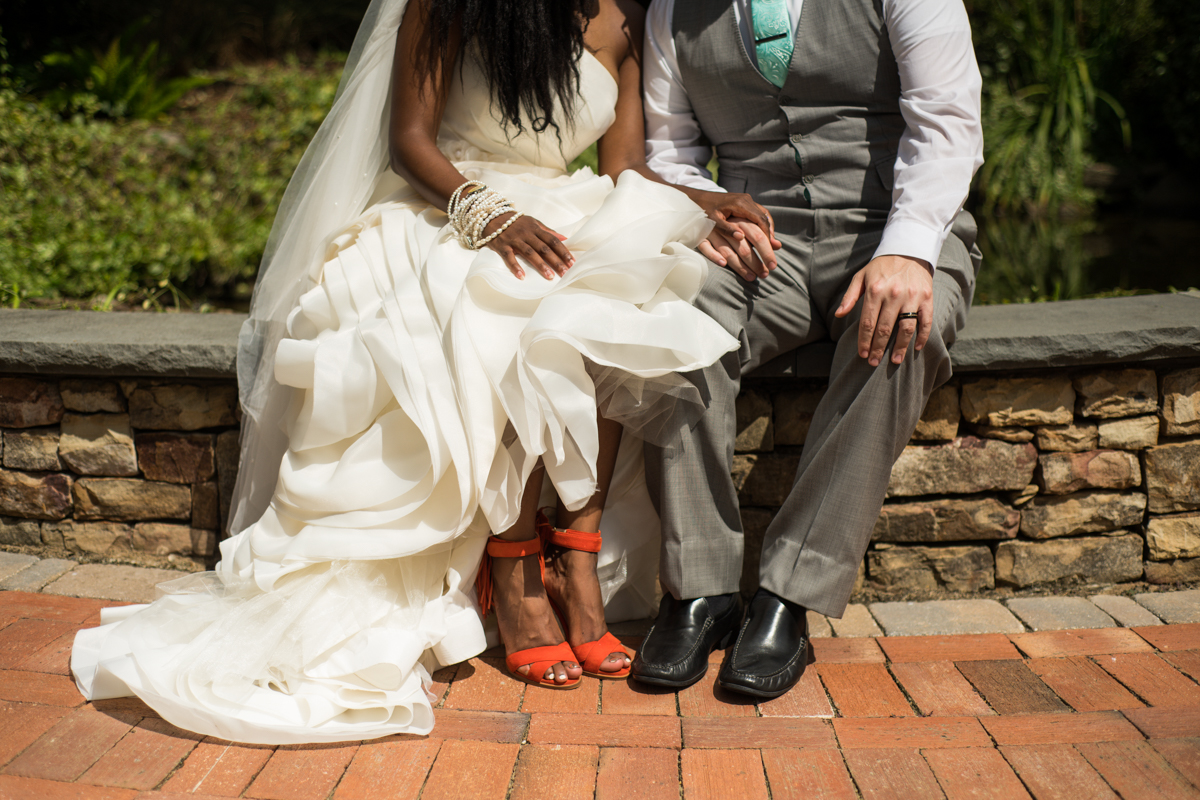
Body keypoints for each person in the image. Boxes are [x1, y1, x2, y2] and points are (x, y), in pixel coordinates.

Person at [69, 0, 752, 743]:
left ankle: (576, 561)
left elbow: (625, 169)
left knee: (634, 296)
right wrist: (488, 216)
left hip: (564, 205)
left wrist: (709, 202)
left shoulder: (625, 16)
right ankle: (518, 568)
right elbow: (410, 143)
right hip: (449, 207)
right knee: (520, 312)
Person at [629, 0, 984, 698]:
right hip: (759, 239)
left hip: (891, 221)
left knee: (909, 325)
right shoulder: (672, 8)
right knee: (670, 318)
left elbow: (947, 123)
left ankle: (786, 594)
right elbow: (668, 151)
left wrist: (909, 249)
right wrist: (703, 212)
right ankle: (699, 592)